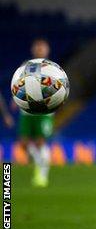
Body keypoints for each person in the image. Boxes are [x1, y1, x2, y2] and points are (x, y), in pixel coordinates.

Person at [19, 39, 54, 187]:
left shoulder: (52, 69)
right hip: (27, 111)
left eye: (42, 48)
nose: (39, 50)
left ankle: (42, 175)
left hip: (44, 112)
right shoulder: (25, 66)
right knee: (24, 143)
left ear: (47, 50)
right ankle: (38, 165)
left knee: (40, 142)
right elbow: (18, 86)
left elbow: (58, 89)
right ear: (33, 50)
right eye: (37, 47)